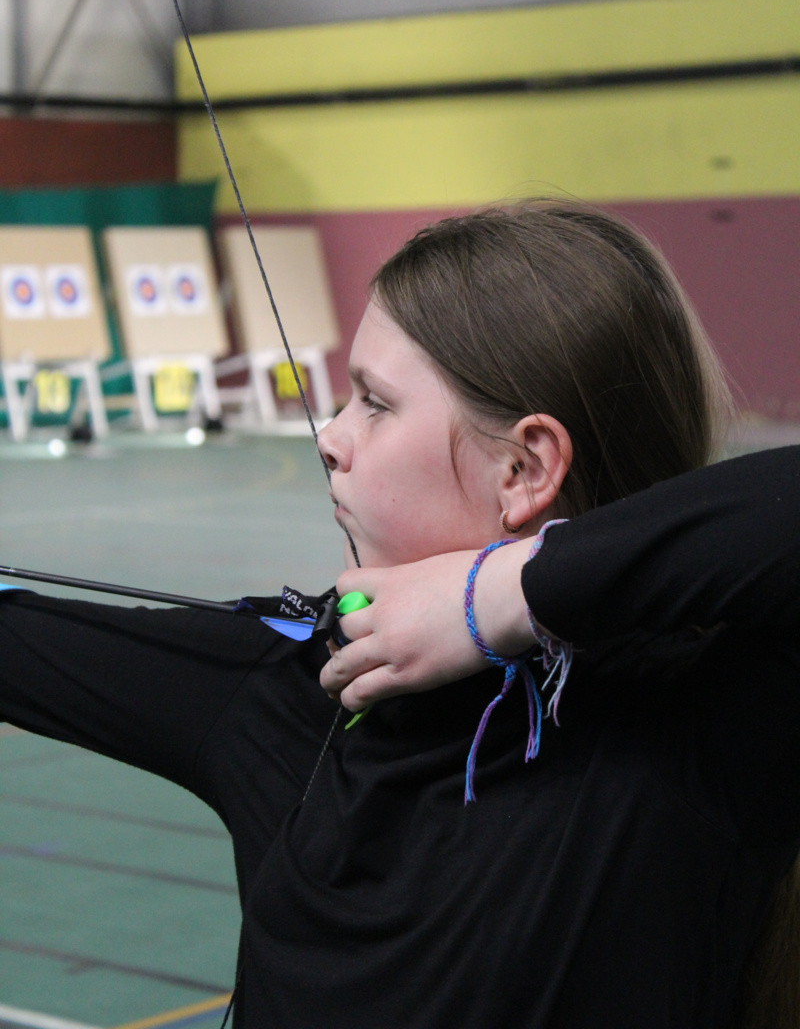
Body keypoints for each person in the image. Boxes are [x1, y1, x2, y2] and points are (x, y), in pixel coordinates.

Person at [1, 200, 799, 1029]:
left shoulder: (690, 718)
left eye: (374, 403)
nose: (329, 437)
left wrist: (492, 599)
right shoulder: (292, 689)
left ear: (524, 470)